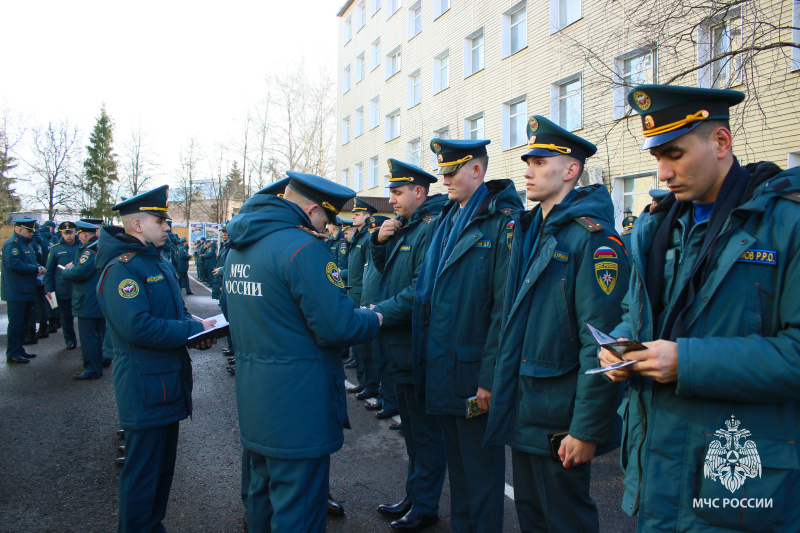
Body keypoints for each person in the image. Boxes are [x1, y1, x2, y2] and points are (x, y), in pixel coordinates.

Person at [598, 84, 800, 532]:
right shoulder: (657, 226)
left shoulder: (787, 223)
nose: (664, 172)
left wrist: (686, 361)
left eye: (675, 154)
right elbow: (637, 312)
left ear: (721, 143)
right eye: (657, 158)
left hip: (742, 482)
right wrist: (618, 347)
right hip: (656, 474)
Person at [485, 115, 628, 532]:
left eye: (540, 162)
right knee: (532, 515)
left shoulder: (593, 239)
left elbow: (602, 343)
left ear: (570, 170)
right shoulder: (531, 229)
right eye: (527, 161)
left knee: (565, 518)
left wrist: (586, 429)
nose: (527, 171)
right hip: (528, 404)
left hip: (560, 415)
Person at [226, 170, 382, 532]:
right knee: (299, 512)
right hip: (299, 408)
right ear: (312, 209)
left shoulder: (241, 247)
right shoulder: (303, 249)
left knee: (261, 504)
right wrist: (376, 318)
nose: (327, 229)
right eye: (326, 220)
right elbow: (337, 326)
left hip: (257, 404)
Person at [412, 138, 523, 533]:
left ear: (476, 170)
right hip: (443, 365)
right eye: (441, 171)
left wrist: (489, 378)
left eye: (450, 171)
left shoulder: (503, 221)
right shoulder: (448, 216)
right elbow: (429, 294)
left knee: (481, 477)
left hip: (474, 371)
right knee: (459, 476)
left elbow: (502, 309)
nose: (444, 180)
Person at [95, 185, 216, 532]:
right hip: (145, 388)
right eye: (160, 219)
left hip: (166, 384)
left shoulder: (153, 260)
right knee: (142, 474)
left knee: (161, 471)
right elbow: (137, 326)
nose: (167, 226)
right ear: (136, 225)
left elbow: (171, 311)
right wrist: (188, 333)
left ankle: (151, 526)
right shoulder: (122, 269)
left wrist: (197, 326)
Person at [371, 158, 448, 531]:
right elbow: (388, 273)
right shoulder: (408, 226)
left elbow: (420, 290)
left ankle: (426, 505)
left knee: (426, 435)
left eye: (397, 192)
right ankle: (414, 495)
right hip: (399, 348)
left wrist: (377, 313)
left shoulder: (430, 229)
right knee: (413, 434)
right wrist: (379, 240)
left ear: (419, 192)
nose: (392, 200)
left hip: (416, 348)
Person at [343, 197, 379, 398]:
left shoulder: (367, 239)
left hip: (363, 294)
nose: (353, 216)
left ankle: (370, 385)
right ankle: (363, 382)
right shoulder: (358, 237)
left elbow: (370, 270)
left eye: (357, 214)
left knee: (366, 346)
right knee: (359, 344)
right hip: (354, 292)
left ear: (368, 216)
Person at [62, 220, 107, 379]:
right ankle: (99, 362)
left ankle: (92, 369)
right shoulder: (99, 247)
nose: (78, 238)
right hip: (97, 298)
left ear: (85, 234)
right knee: (97, 334)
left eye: (79, 234)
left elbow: (79, 273)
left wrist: (67, 271)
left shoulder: (89, 251)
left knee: (89, 337)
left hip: (87, 300)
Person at [2, 218, 45, 364]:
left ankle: (19, 349)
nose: (32, 233)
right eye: (29, 230)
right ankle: (13, 352)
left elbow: (31, 262)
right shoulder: (12, 245)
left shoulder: (26, 244)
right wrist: (36, 269)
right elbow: (14, 264)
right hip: (16, 291)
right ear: (19, 229)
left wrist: (38, 266)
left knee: (25, 322)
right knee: (16, 323)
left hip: (26, 290)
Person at [43, 222, 81, 350]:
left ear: (75, 232)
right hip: (63, 289)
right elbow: (49, 272)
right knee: (66, 318)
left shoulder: (83, 247)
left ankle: (86, 340)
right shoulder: (55, 249)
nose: (68, 236)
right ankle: (70, 340)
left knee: (83, 317)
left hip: (80, 288)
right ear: (61, 234)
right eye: (65, 233)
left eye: (70, 232)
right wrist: (48, 289)